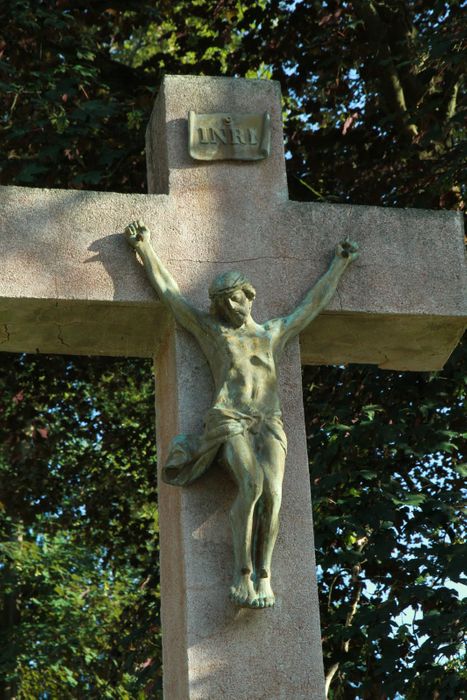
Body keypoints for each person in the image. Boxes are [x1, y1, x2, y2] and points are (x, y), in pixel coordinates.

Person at [124, 220, 359, 608]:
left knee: (274, 496)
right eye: (224, 303)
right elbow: (171, 295)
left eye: (236, 299)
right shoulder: (213, 333)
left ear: (250, 296)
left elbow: (312, 305)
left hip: (269, 421)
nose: (232, 308)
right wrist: (144, 248)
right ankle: (242, 573)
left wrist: (340, 264)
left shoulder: (272, 333)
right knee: (251, 484)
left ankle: (265, 575)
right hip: (230, 419)